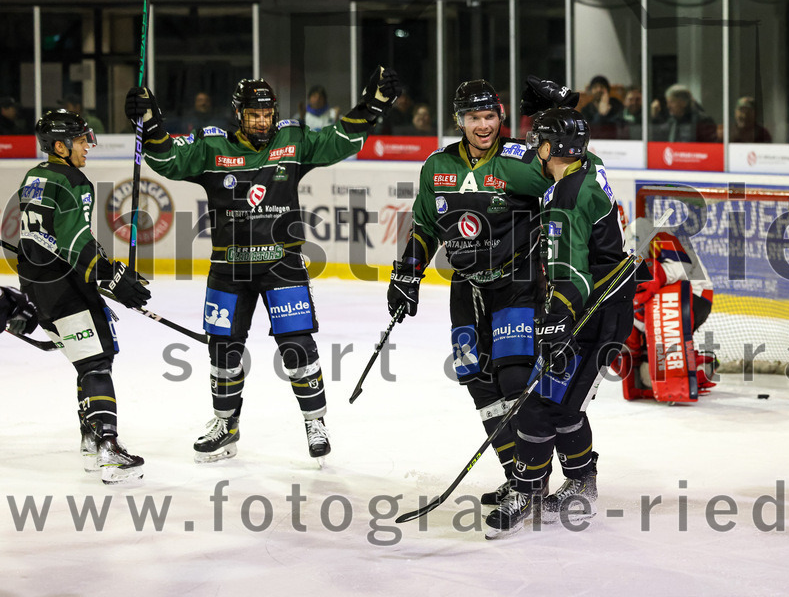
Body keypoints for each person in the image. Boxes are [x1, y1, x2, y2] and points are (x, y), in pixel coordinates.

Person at [125, 67, 400, 465]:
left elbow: (337, 140)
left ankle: (314, 421)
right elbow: (167, 161)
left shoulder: (292, 138)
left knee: (297, 346)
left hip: (282, 262)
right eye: (254, 115)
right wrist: (150, 125)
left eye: (267, 113)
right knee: (223, 351)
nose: (262, 121)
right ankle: (225, 425)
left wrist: (371, 107)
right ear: (238, 114)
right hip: (228, 267)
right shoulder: (211, 146)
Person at [386, 78, 561, 508]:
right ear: (459, 120)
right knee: (476, 379)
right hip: (465, 286)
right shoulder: (437, 166)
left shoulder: (521, 160)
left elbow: (571, 179)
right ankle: (514, 472)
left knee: (515, 378)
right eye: (473, 118)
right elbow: (426, 227)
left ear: (500, 116)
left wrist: (558, 121)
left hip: (516, 283)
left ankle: (532, 480)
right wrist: (406, 274)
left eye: (489, 116)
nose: (483, 126)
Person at [484, 106, 637, 539]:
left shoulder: (566, 199)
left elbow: (572, 274)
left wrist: (556, 321)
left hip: (594, 314)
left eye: (540, 141)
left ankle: (527, 491)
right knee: (563, 401)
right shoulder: (588, 169)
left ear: (553, 148)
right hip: (603, 308)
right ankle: (581, 483)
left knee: (538, 405)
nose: (535, 148)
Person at [16, 110, 152, 484]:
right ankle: (108, 447)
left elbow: (39, 236)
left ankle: (91, 440)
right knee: (96, 362)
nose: (86, 147)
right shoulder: (74, 180)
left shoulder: (34, 176)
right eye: (79, 141)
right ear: (59, 146)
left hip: (35, 283)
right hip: (63, 285)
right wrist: (112, 276)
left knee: (84, 360)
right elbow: (74, 240)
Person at [611, 215, 716, 400]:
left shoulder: (660, 235)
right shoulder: (613, 245)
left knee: (656, 317)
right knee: (646, 373)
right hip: (657, 302)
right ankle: (697, 362)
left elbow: (684, 266)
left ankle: (691, 370)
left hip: (695, 294)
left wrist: (658, 274)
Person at [649, 85, 718, 143]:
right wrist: (655, 117)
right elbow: (659, 135)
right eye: (667, 102)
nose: (668, 106)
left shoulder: (703, 121)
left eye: (672, 102)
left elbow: (708, 147)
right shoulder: (672, 121)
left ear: (683, 103)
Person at [580, 75, 624, 139]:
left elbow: (620, 124)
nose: (599, 89)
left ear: (607, 90)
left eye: (602, 87)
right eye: (595, 87)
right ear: (591, 90)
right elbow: (589, 130)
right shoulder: (586, 109)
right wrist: (600, 114)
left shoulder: (616, 104)